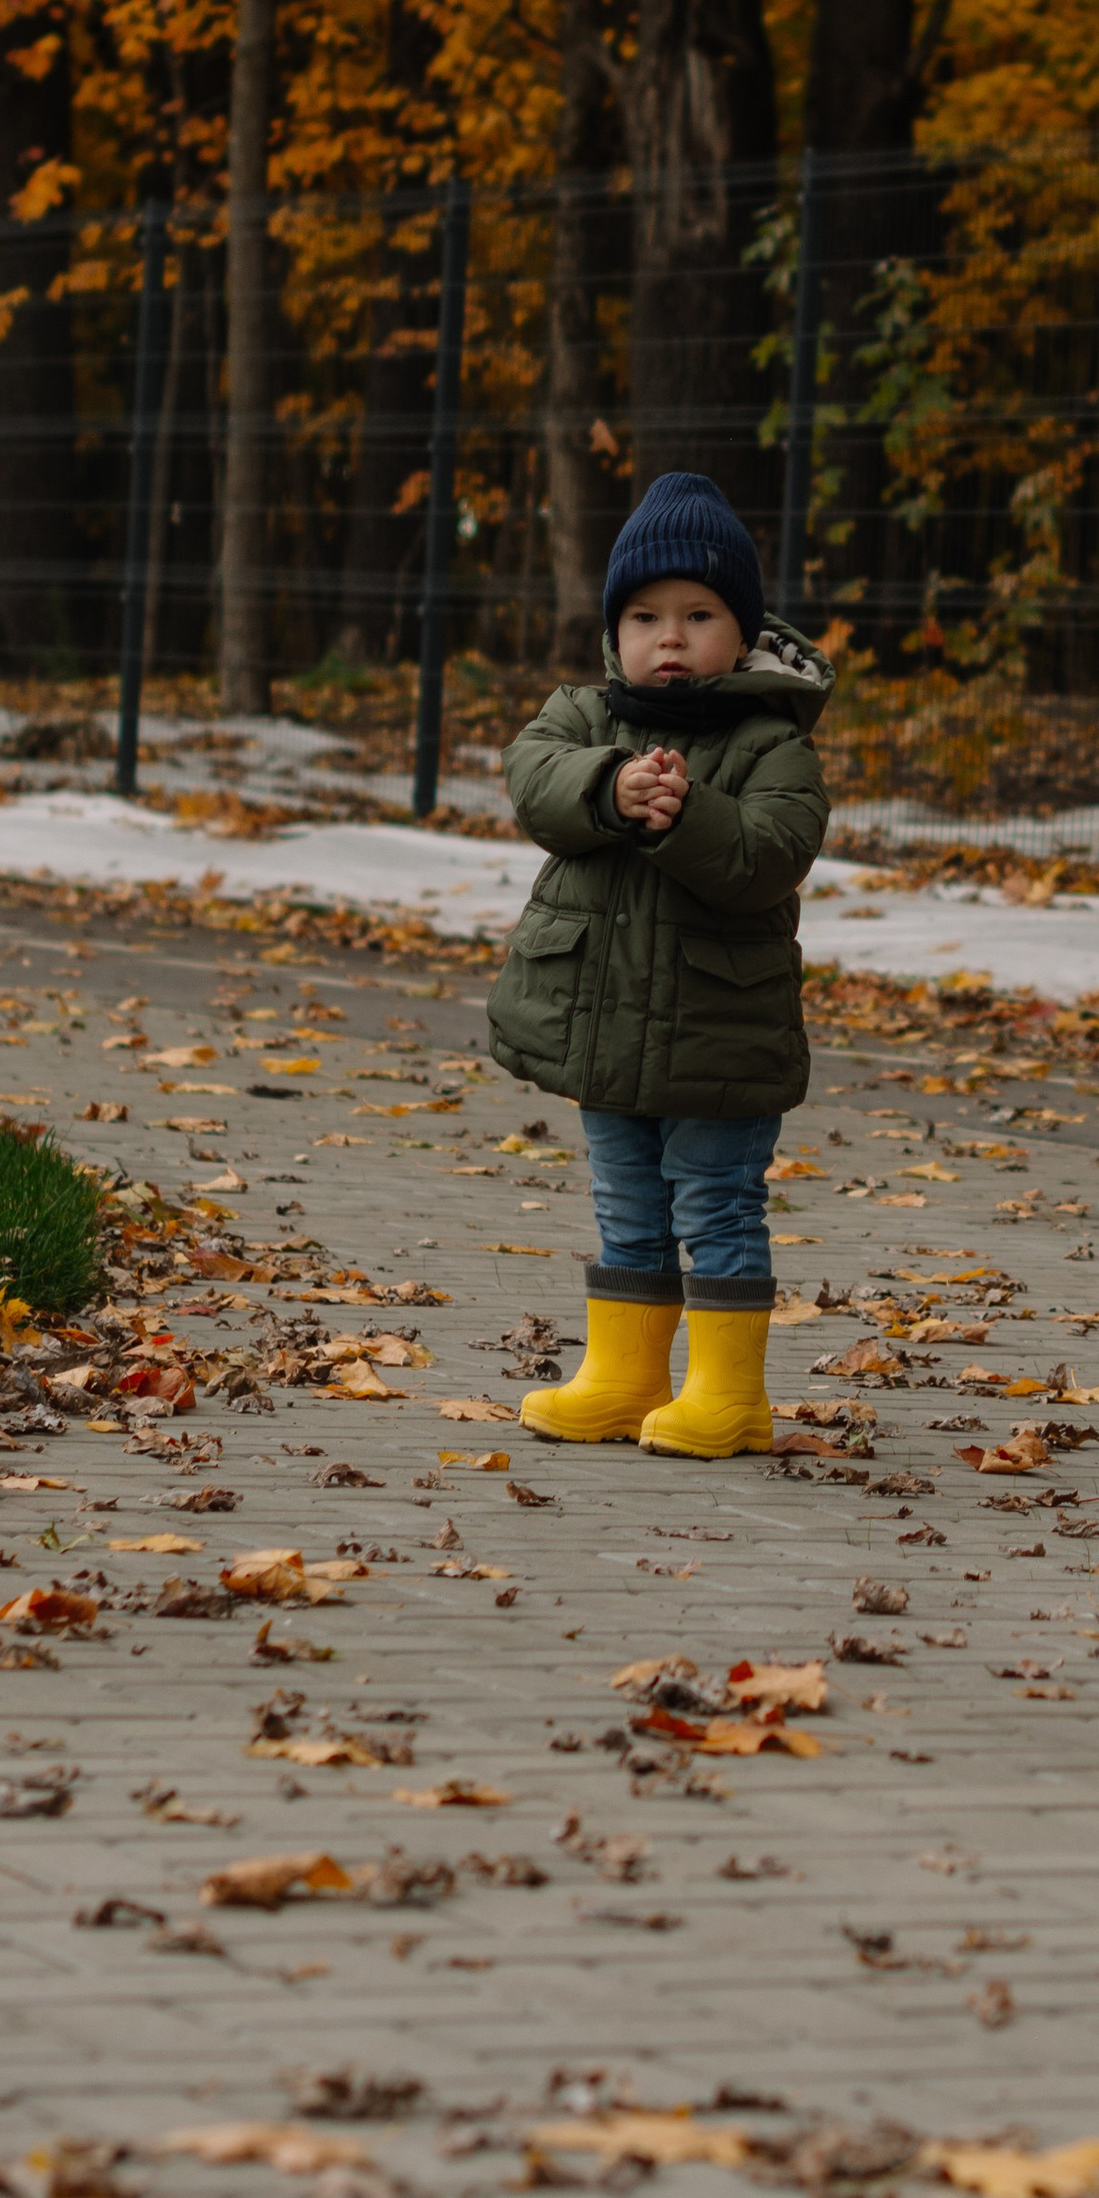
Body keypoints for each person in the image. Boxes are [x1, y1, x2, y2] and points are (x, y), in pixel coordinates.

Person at [487, 471, 832, 1458]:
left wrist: (690, 814)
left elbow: (769, 852)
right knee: (627, 1205)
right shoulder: (583, 720)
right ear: (615, 632)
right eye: (644, 616)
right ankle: (624, 1374)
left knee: (717, 1203)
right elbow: (532, 778)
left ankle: (729, 1394)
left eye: (698, 614)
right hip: (605, 1030)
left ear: (744, 629)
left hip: (717, 1037)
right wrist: (608, 789)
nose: (669, 638)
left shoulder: (773, 743)